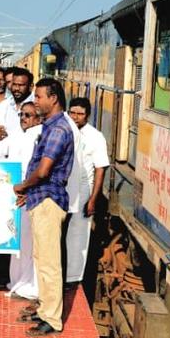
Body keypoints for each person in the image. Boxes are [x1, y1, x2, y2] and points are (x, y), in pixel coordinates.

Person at [14, 78, 74, 337]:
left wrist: (24, 186)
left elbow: (44, 169)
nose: (35, 101)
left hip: (48, 200)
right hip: (42, 198)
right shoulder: (51, 127)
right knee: (42, 259)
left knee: (49, 262)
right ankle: (45, 309)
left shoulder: (58, 129)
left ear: (54, 98)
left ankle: (52, 318)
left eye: (39, 97)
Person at [0, 102, 43, 300]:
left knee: (31, 243)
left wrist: (29, 189)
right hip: (16, 194)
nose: (24, 118)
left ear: (38, 118)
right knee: (18, 241)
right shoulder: (19, 133)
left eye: (29, 115)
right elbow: (0, 148)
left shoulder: (41, 136)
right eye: (22, 114)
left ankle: (31, 286)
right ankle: (17, 282)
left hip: (31, 194)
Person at [65, 97, 110, 290]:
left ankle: (73, 278)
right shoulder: (64, 129)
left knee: (78, 233)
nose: (75, 117)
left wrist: (93, 199)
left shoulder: (95, 136)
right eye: (72, 113)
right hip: (64, 186)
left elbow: (101, 168)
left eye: (80, 114)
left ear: (88, 116)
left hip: (83, 187)